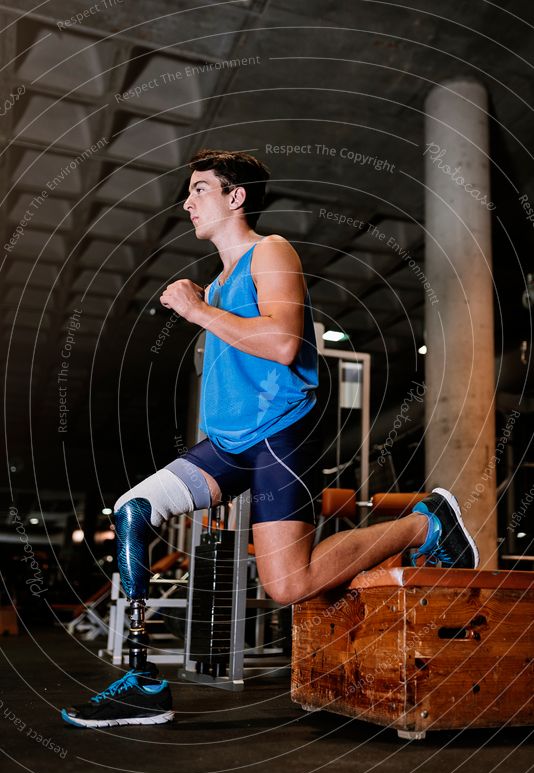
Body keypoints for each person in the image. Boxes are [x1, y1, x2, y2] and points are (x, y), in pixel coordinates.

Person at [62, 150, 479, 728]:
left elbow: (283, 344)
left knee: (290, 585)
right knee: (134, 509)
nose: (187, 202)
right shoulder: (219, 280)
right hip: (229, 443)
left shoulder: (272, 251)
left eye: (200, 189)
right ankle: (142, 680)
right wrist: (204, 303)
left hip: (282, 432)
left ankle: (425, 520)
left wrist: (196, 311)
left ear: (236, 198)